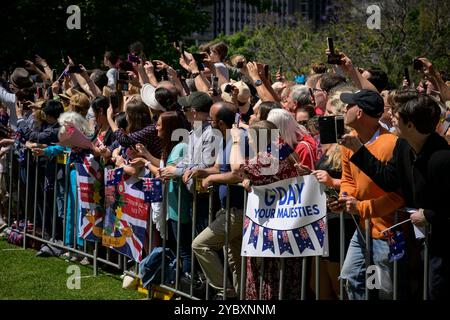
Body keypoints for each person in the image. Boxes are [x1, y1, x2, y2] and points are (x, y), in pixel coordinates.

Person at [340, 91, 450, 300]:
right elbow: (389, 180)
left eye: (397, 117)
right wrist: (359, 151)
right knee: (357, 277)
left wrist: (429, 215)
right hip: (417, 238)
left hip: (440, 242)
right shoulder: (404, 147)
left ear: (410, 125)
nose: (391, 118)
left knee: (430, 289)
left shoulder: (442, 158)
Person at [329, 89, 405, 300]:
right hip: (363, 228)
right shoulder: (349, 141)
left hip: (388, 230)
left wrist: (361, 207)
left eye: (349, 105)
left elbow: (399, 194)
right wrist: (344, 197)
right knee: (351, 276)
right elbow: (348, 179)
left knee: (386, 290)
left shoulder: (392, 144)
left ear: (360, 113)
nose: (345, 109)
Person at [191, 101, 245, 299]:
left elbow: (237, 174)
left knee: (200, 245)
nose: (208, 122)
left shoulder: (241, 139)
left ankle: (226, 294)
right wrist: (202, 171)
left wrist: (211, 178)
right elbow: (218, 168)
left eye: (211, 119)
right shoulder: (226, 138)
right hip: (228, 208)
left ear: (221, 123)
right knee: (236, 262)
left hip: (238, 209)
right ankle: (239, 297)